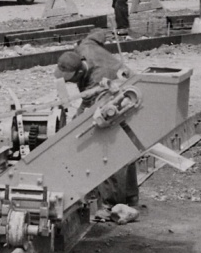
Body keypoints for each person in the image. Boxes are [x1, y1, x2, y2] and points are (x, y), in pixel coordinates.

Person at [54, 32, 139, 207]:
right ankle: (130, 197)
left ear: (79, 71)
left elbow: (89, 111)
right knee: (123, 144)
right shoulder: (84, 47)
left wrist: (71, 131)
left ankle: (111, 203)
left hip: (124, 94)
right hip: (115, 88)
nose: (70, 83)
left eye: (71, 80)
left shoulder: (97, 79)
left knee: (108, 145)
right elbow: (98, 34)